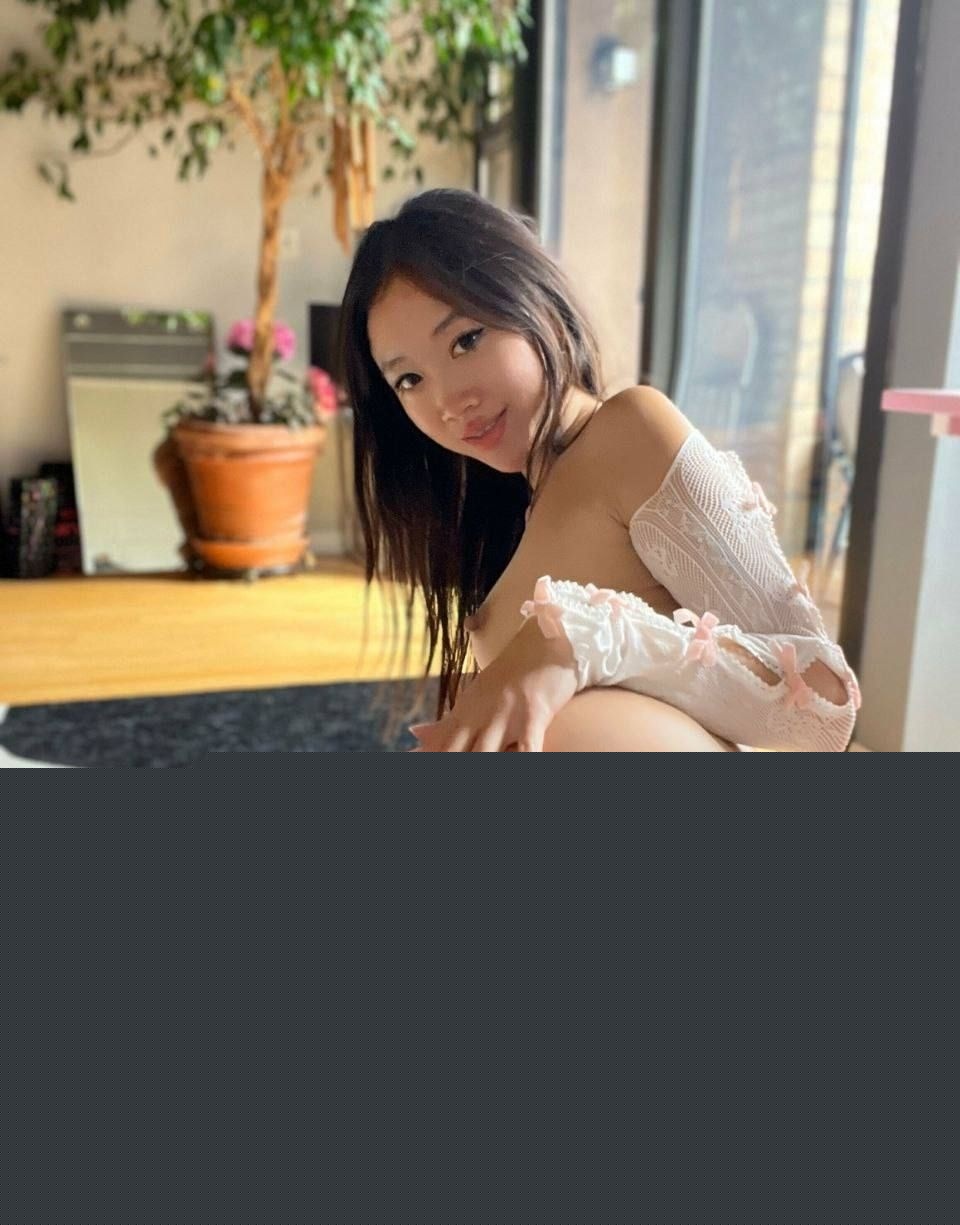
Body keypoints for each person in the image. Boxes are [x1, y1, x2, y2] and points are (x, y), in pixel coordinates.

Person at [338, 188, 861, 751]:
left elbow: (823, 705)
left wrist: (589, 637)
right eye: (409, 380)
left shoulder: (631, 432)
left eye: (466, 340)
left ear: (536, 301)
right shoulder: (503, 512)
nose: (448, 400)